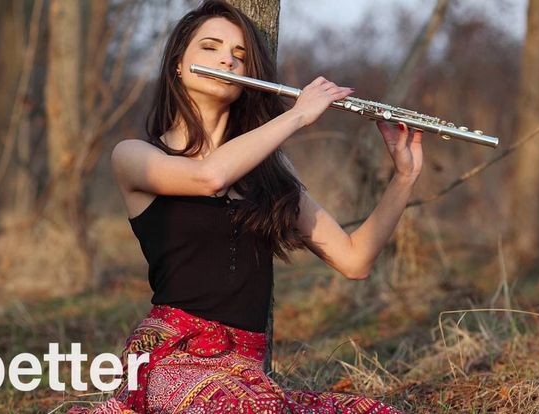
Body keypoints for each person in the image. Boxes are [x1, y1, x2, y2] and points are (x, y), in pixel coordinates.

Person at [68, 1, 421, 413]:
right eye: (211, 48)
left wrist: (404, 177)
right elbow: (208, 177)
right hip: (170, 357)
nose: (227, 60)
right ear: (178, 65)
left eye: (239, 56)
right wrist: (297, 116)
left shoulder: (270, 170)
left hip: (244, 372)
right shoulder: (136, 156)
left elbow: (354, 259)